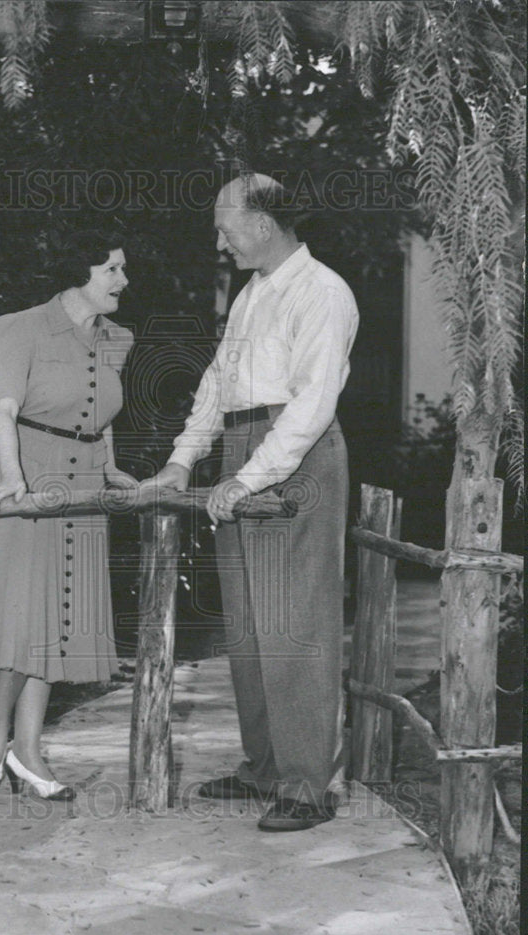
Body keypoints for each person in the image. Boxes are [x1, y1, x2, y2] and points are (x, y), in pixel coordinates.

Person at [144, 174, 358, 831]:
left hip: (293, 454)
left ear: (262, 223)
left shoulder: (322, 293)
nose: (219, 239)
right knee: (246, 623)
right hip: (241, 450)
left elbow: (312, 404)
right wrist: (185, 460)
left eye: (225, 225)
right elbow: (217, 382)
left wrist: (252, 476)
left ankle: (305, 787)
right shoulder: (250, 294)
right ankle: (265, 767)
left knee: (294, 621)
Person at [0, 230, 135, 800]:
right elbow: (4, 412)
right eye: (111, 269)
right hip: (30, 478)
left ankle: (29, 751)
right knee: (19, 622)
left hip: (83, 486)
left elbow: (101, 416)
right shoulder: (20, 327)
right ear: (76, 271)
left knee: (59, 622)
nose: (122, 281)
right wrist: (14, 483)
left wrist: (109, 470)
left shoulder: (118, 338)